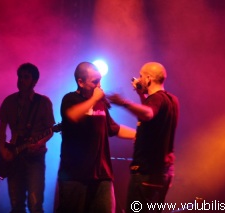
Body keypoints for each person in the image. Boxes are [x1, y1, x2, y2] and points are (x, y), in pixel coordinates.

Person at [56, 61, 136, 213]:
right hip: (74, 175)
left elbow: (114, 128)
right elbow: (72, 116)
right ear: (80, 82)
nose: (99, 85)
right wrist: (93, 99)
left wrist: (138, 135)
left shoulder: (100, 104)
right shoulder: (70, 99)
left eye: (100, 80)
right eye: (95, 82)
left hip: (102, 175)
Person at [107, 62, 179, 213]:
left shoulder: (157, 99)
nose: (138, 80)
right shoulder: (171, 100)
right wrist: (141, 94)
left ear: (148, 79)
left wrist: (124, 102)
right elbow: (151, 113)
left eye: (141, 76)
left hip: (147, 172)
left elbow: (148, 113)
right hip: (162, 172)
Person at [0, 63, 55, 213]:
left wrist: (39, 143)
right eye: (20, 77)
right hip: (14, 157)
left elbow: (50, 130)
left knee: (35, 204)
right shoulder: (9, 101)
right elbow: (1, 131)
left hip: (35, 158)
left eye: (26, 77)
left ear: (34, 81)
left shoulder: (43, 102)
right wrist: (3, 151)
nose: (21, 80)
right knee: (16, 204)